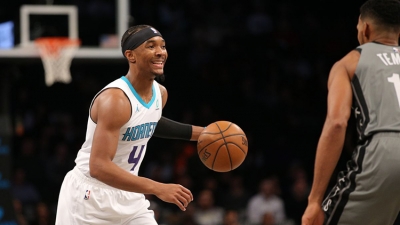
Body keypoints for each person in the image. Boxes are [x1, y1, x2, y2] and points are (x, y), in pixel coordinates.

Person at [55, 24, 205, 225]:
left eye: (163, 46)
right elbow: (98, 167)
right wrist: (158, 188)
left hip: (129, 192)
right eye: (151, 46)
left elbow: (148, 121)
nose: (160, 52)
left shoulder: (160, 93)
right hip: (90, 195)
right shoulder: (115, 100)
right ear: (131, 55)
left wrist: (203, 133)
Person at [302, 0, 400, 224]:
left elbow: (337, 123)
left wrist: (315, 200)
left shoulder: (349, 62)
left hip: (385, 150)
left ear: (365, 28)